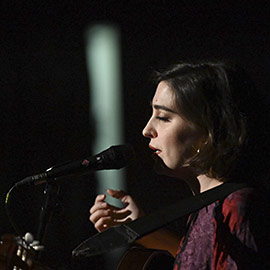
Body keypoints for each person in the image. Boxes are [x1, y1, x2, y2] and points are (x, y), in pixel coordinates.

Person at [89, 61, 269, 269]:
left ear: (207, 133)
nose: (147, 130)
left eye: (164, 117)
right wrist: (139, 226)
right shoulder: (208, 207)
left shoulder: (236, 206)